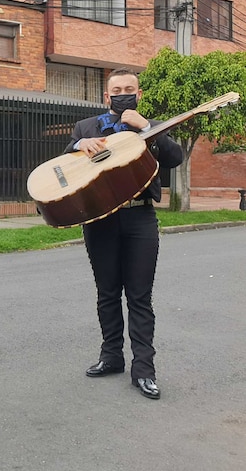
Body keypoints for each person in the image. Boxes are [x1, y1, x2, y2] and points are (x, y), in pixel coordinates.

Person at [66, 68, 183, 400]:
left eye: (129, 89)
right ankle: (111, 357)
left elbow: (175, 158)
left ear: (139, 93)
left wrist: (147, 127)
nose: (122, 94)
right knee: (106, 293)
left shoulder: (150, 125)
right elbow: (63, 166)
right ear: (106, 96)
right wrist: (78, 145)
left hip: (140, 218)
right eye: (116, 89)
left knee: (139, 296)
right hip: (100, 220)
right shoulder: (85, 127)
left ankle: (144, 370)